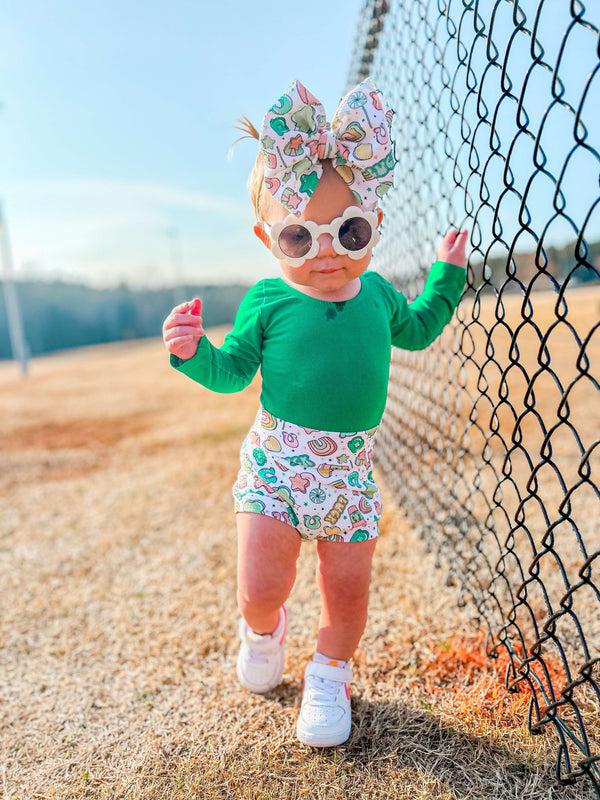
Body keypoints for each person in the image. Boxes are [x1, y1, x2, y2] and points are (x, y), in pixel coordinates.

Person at [162, 79, 467, 747]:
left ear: (375, 225)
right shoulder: (268, 301)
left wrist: (446, 276)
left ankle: (330, 674)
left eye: (348, 230)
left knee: (348, 593)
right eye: (300, 236)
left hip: (350, 475)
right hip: (277, 464)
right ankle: (263, 628)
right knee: (261, 582)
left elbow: (417, 329)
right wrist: (193, 353)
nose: (326, 249)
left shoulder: (379, 296)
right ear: (267, 237)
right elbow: (234, 370)